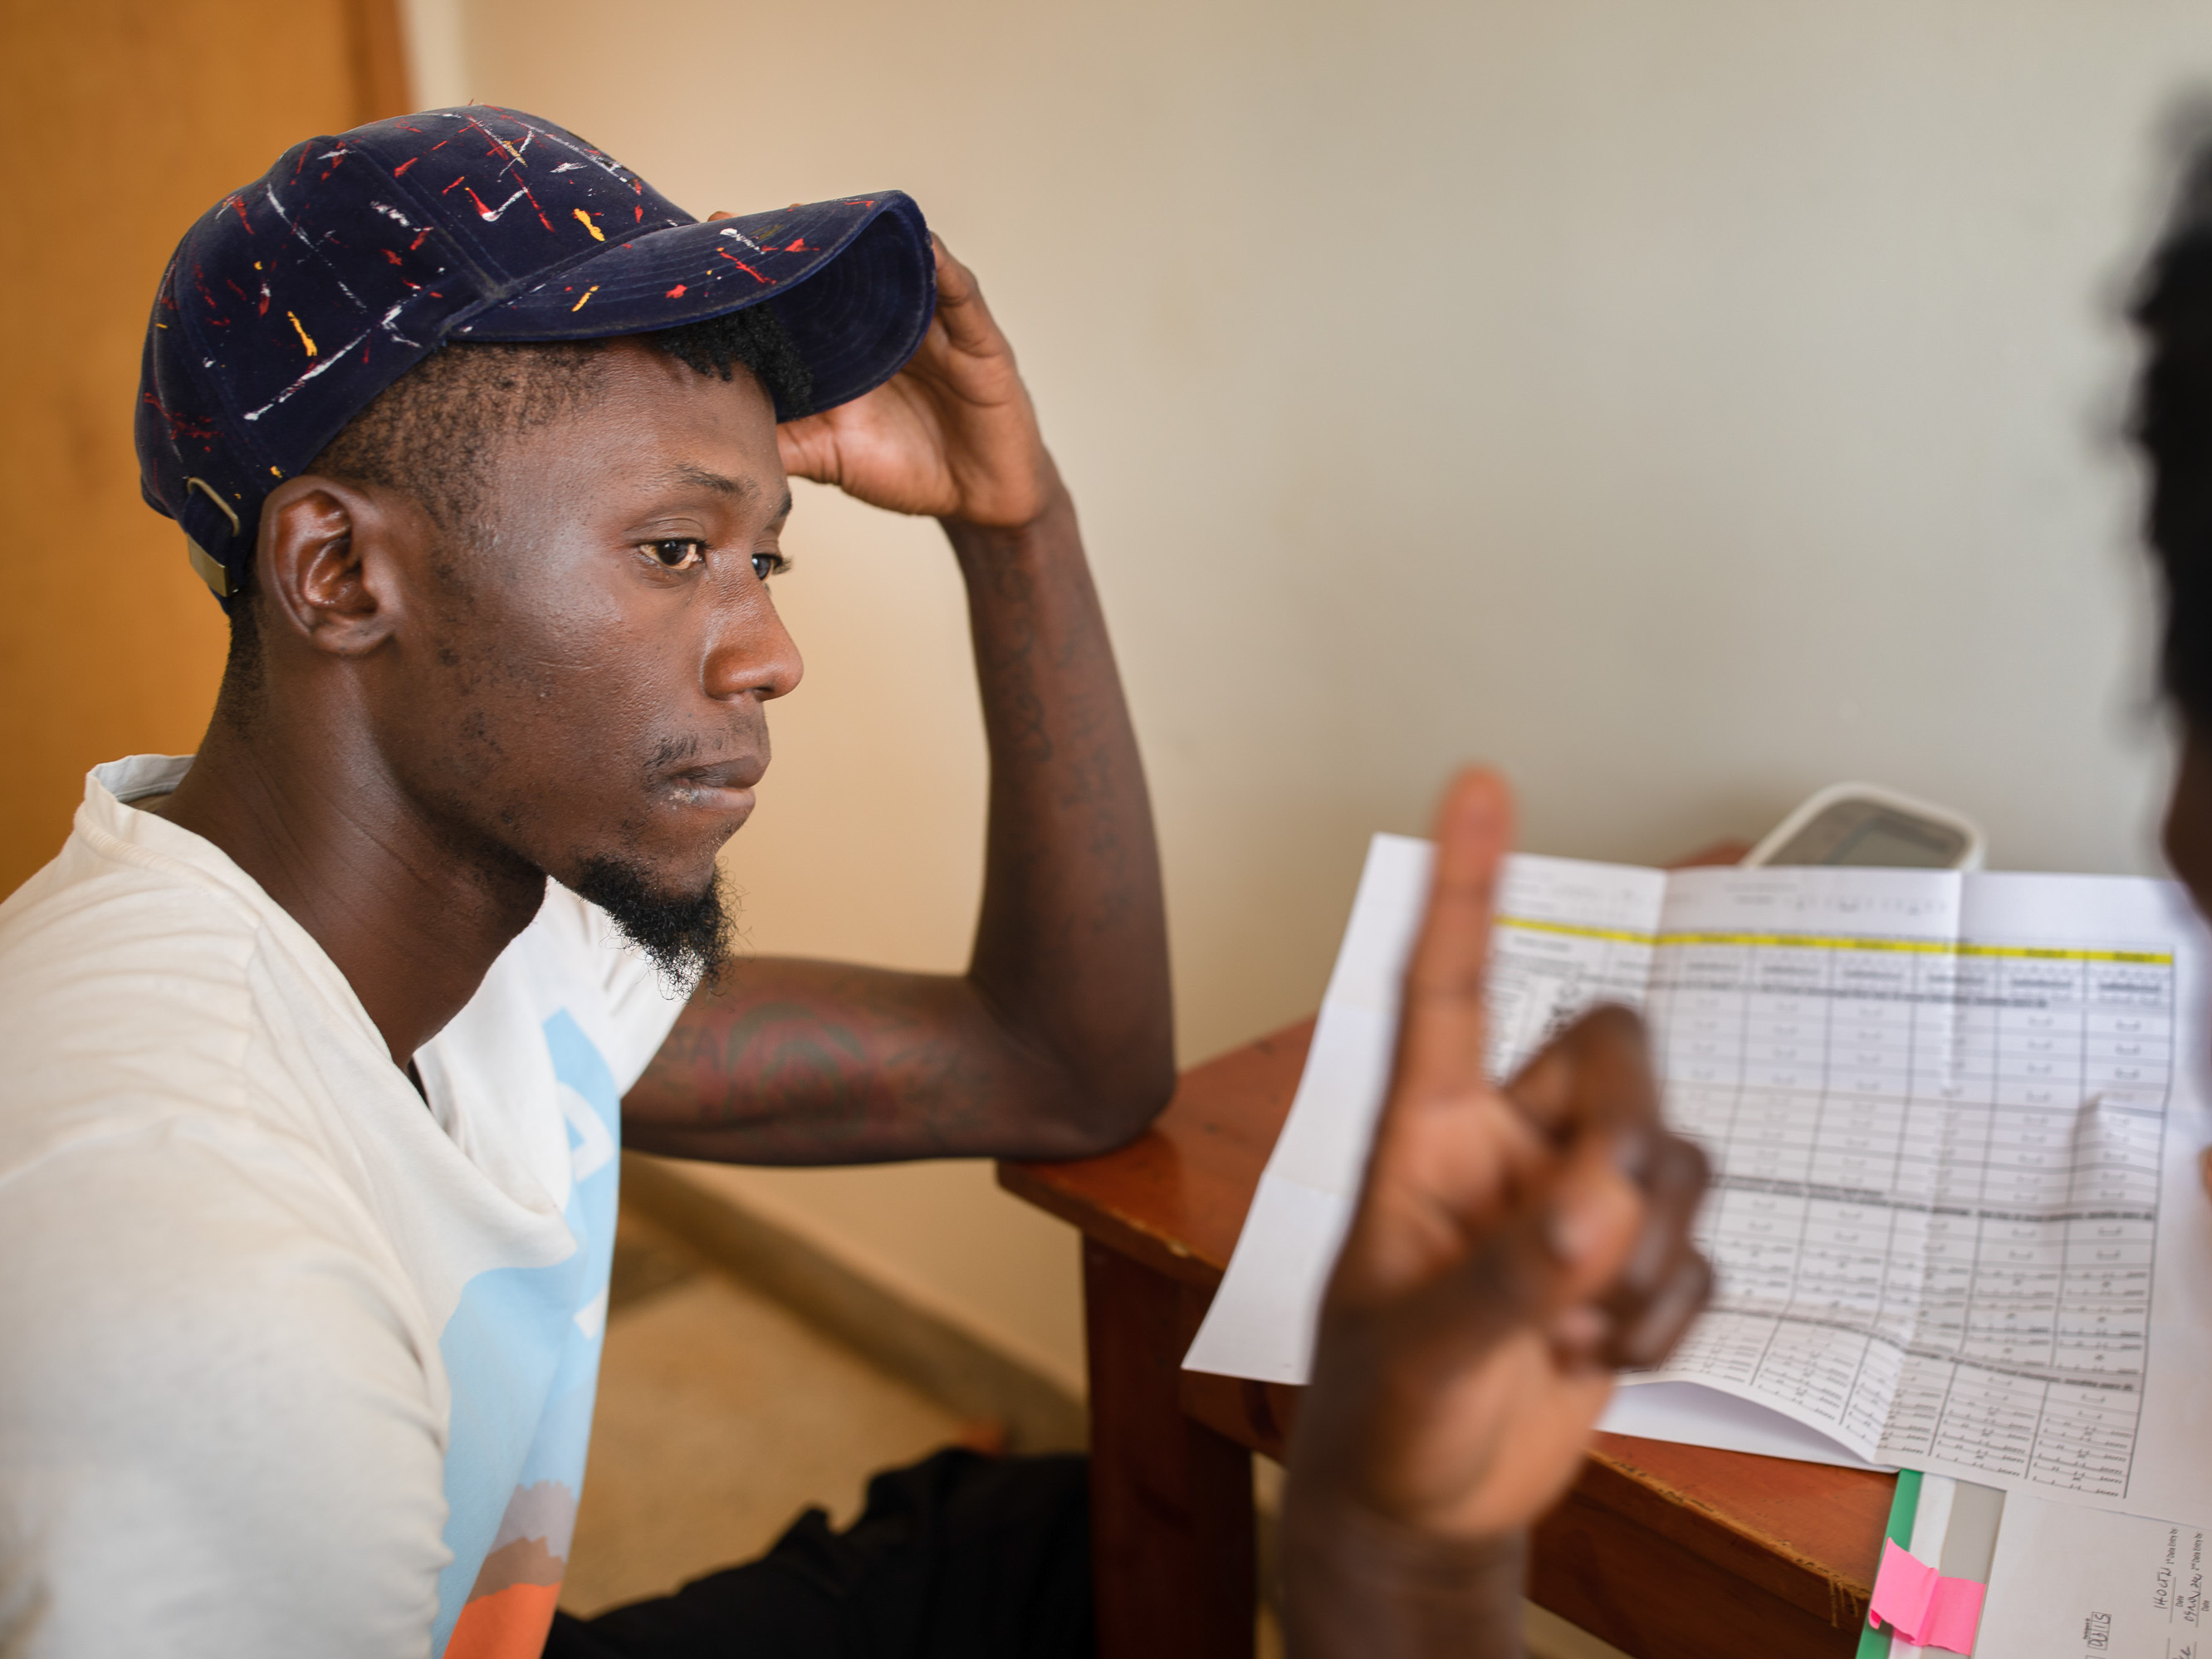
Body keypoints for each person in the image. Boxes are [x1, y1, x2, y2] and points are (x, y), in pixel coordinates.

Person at [0, 105, 1710, 1658]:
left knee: (1056, 1543)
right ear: (337, 572)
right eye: (677, 551)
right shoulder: (202, 1278)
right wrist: (1401, 1596)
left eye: (764, 555)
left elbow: (1057, 1070)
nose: (771, 651)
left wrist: (1014, 524)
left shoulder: (473, 948)